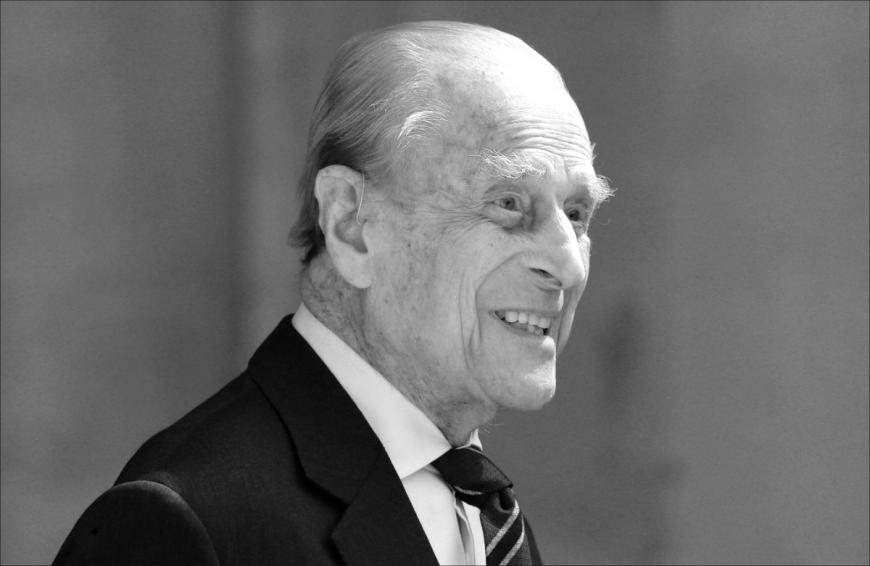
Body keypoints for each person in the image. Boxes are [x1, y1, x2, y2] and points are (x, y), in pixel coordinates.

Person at [54, 20, 612, 565]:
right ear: (351, 224)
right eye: (508, 204)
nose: (568, 264)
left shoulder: (481, 506)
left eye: (576, 213)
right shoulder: (183, 523)